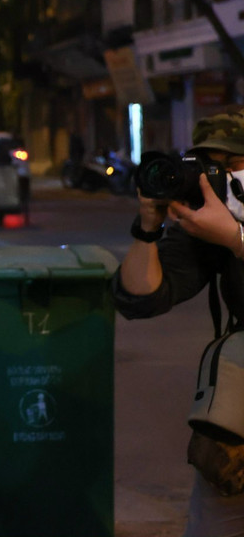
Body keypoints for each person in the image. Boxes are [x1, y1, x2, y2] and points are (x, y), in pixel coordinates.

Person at [113, 110, 244, 537]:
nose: (220, 178)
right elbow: (141, 298)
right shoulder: (213, 221)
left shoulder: (227, 228)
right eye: (210, 166)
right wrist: (148, 226)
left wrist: (236, 240)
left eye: (233, 164)